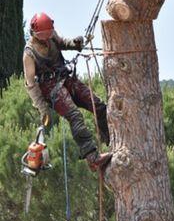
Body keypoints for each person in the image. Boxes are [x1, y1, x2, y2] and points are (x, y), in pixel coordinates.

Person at [23, 12, 110, 171]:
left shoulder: (51, 35)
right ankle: (92, 157)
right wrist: (43, 108)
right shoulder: (29, 54)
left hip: (66, 79)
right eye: (45, 35)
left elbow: (63, 43)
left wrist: (75, 43)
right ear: (35, 33)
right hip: (51, 89)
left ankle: (110, 139)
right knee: (75, 116)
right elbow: (30, 85)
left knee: (98, 105)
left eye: (50, 33)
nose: (48, 37)